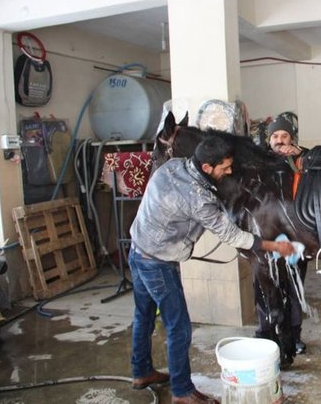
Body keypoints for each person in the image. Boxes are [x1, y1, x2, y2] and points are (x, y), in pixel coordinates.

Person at [128, 134, 295, 404]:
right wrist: (273, 247)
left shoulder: (173, 166)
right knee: (179, 327)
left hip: (137, 250)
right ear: (207, 168)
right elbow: (232, 235)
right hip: (157, 263)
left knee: (143, 315)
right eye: (225, 167)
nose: (229, 171)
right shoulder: (198, 199)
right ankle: (182, 391)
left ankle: (141, 371)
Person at [253, 116, 307, 355]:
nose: (279, 140)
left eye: (284, 136)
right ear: (269, 140)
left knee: (294, 287)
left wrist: (297, 156)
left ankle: (294, 337)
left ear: (291, 139)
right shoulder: (258, 161)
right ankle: (265, 334)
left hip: (294, 238)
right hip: (265, 239)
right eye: (275, 136)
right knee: (264, 287)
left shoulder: (301, 159)